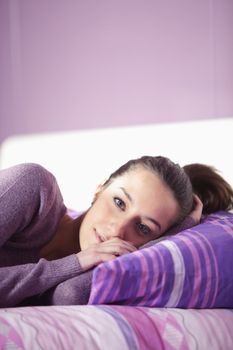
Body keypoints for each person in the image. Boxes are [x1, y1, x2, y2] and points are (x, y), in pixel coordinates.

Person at [0, 156, 232, 307]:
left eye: (143, 228)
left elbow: (69, 295)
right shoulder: (33, 187)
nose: (117, 230)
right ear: (99, 190)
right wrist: (74, 262)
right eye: (119, 202)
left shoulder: (93, 269)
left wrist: (180, 232)